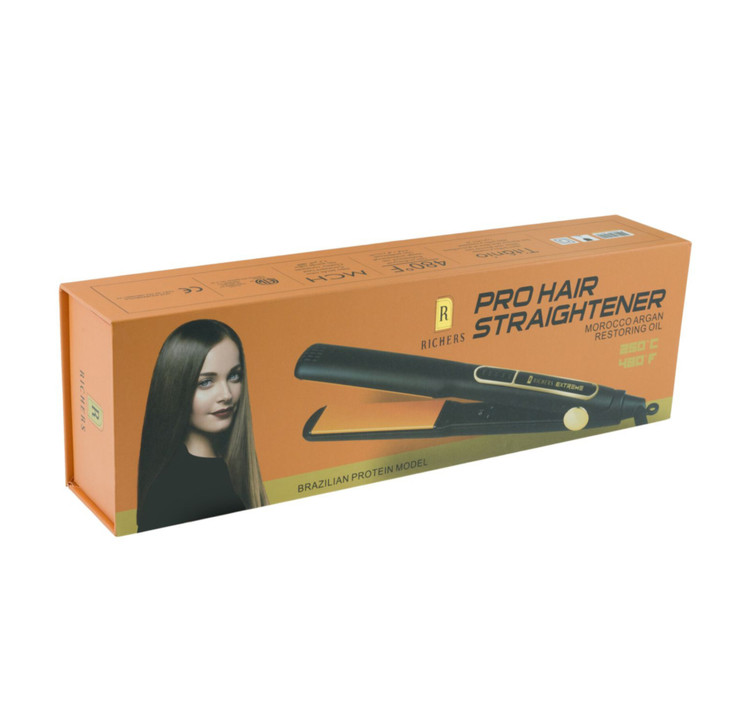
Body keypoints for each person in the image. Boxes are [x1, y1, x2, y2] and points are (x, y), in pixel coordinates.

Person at [137, 319, 268, 532]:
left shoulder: (213, 469)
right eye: (206, 382)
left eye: (234, 376)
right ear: (175, 388)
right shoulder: (189, 485)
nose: (226, 395)